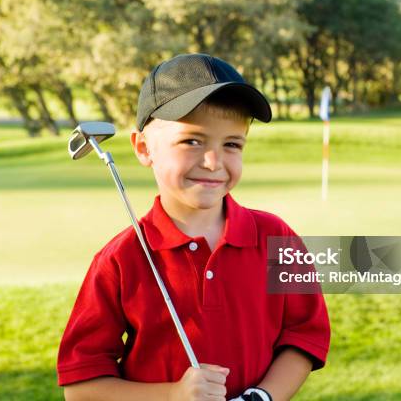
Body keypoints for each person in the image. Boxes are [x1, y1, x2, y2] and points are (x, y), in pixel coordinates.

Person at [57, 53, 330, 401]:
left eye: (231, 144)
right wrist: (173, 395)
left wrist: (261, 397)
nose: (213, 161)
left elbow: (304, 336)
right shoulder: (119, 260)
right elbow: (80, 388)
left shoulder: (277, 236)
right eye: (192, 141)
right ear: (143, 148)